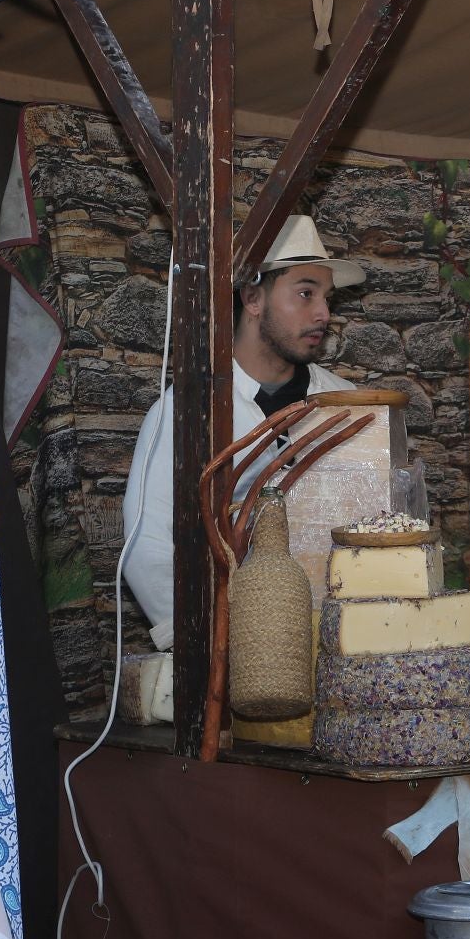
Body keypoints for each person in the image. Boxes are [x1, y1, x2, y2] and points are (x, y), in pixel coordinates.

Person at [120, 214, 362, 650]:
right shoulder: (185, 414)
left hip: (341, 644)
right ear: (253, 298)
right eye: (306, 293)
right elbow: (147, 542)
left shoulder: (348, 404)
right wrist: (206, 646)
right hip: (237, 647)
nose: (324, 312)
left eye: (326, 297)